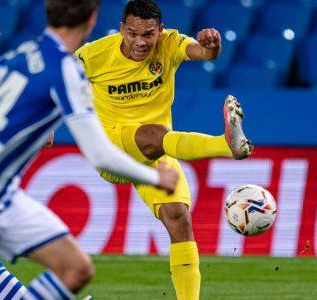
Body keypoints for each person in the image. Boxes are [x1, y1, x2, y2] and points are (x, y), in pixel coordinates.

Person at [0, 0, 179, 298]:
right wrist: (157, 178)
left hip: (2, 196)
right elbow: (100, 154)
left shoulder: (25, 52)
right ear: (92, 19)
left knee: (76, 269)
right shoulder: (66, 70)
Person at [73, 0, 253, 299]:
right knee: (155, 134)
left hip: (157, 151)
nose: (140, 42)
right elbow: (56, 82)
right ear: (121, 30)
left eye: (148, 35)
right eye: (132, 34)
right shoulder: (94, 54)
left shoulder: (170, 44)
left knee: (178, 217)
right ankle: (226, 145)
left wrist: (211, 46)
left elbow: (203, 52)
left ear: (160, 31)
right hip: (110, 149)